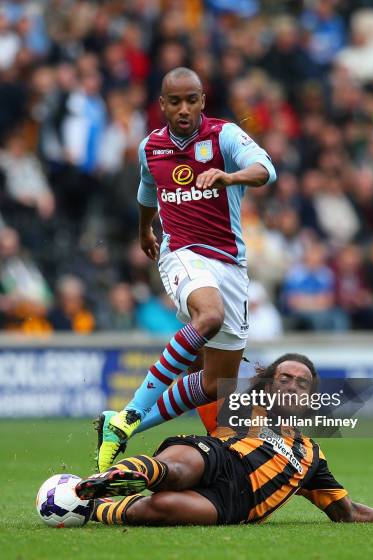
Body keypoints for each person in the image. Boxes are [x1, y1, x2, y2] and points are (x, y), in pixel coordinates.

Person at [96, 67, 276, 472]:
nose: (182, 109)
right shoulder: (150, 147)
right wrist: (145, 229)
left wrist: (230, 176)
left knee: (216, 384)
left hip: (230, 264)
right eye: (174, 101)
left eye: (190, 100)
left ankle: (123, 426)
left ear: (202, 101)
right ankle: (130, 412)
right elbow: (147, 190)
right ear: (162, 104)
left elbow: (266, 169)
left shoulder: (224, 136)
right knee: (208, 316)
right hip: (181, 252)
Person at [78, 355, 373, 527]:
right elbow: (206, 369)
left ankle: (92, 508)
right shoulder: (240, 405)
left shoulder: (312, 457)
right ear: (269, 384)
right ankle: (110, 477)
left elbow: (349, 513)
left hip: (234, 504)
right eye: (284, 378)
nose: (293, 385)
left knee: (159, 509)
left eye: (302, 382)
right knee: (175, 470)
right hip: (216, 457)